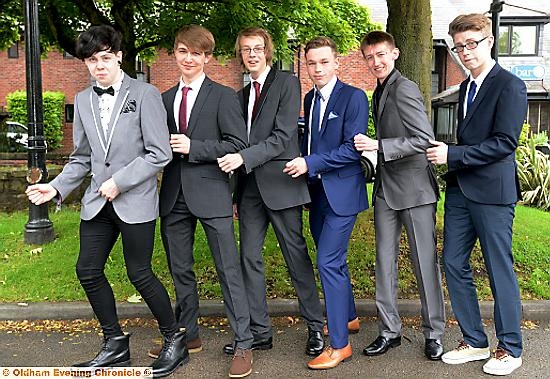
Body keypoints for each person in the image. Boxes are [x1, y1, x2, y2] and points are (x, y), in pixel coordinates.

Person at [24, 25, 187, 377]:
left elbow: (159, 154)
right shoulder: (82, 100)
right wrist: (55, 187)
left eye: (104, 58)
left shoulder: (145, 95)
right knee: (87, 269)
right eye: (91, 60)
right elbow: (82, 157)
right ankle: (115, 343)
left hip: (135, 201)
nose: (98, 66)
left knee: (140, 273)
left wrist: (120, 181)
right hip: (98, 203)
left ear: (118, 56)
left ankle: (175, 338)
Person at [426, 13, 527, 376]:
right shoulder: (467, 87)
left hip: (493, 194)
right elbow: (472, 139)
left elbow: (504, 143)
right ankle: (474, 340)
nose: (465, 52)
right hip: (460, 190)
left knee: (499, 269)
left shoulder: (510, 85)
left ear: (489, 41)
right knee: (453, 263)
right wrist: (450, 150)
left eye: (471, 44)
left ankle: (510, 347)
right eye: (458, 46)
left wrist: (451, 154)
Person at [217, 27, 325, 357]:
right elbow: (238, 140)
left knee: (296, 258)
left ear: (268, 51)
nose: (252, 54)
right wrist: (236, 194)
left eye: (258, 48)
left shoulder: (287, 83)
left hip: (282, 183)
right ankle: (260, 331)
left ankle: (315, 327)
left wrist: (243, 158)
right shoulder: (238, 96)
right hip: (249, 190)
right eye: (246, 49)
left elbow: (282, 137)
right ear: (240, 54)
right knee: (249, 258)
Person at [154, 24, 254, 378]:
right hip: (173, 198)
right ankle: (188, 336)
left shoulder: (225, 96)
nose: (189, 59)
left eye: (196, 53)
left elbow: (237, 145)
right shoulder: (163, 99)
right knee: (180, 271)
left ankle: (244, 342)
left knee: (229, 271)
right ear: (175, 54)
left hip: (212, 194)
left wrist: (194, 148)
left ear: (207, 58)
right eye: (183, 51)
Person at [355, 30, 445, 361]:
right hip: (386, 190)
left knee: (424, 265)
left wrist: (379, 146)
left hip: (416, 190)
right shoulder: (379, 91)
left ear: (394, 54)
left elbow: (425, 139)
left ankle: (434, 333)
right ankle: (389, 331)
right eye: (370, 56)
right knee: (384, 264)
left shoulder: (404, 88)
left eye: (381, 54)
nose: (376, 61)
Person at [284, 36, 369, 370]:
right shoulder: (310, 96)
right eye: (311, 63)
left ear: (337, 63)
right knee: (335, 260)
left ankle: (339, 345)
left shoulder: (354, 97)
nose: (317, 69)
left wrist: (309, 163)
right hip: (316, 194)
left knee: (329, 263)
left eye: (323, 62)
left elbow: (352, 149)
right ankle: (347, 317)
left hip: (342, 195)